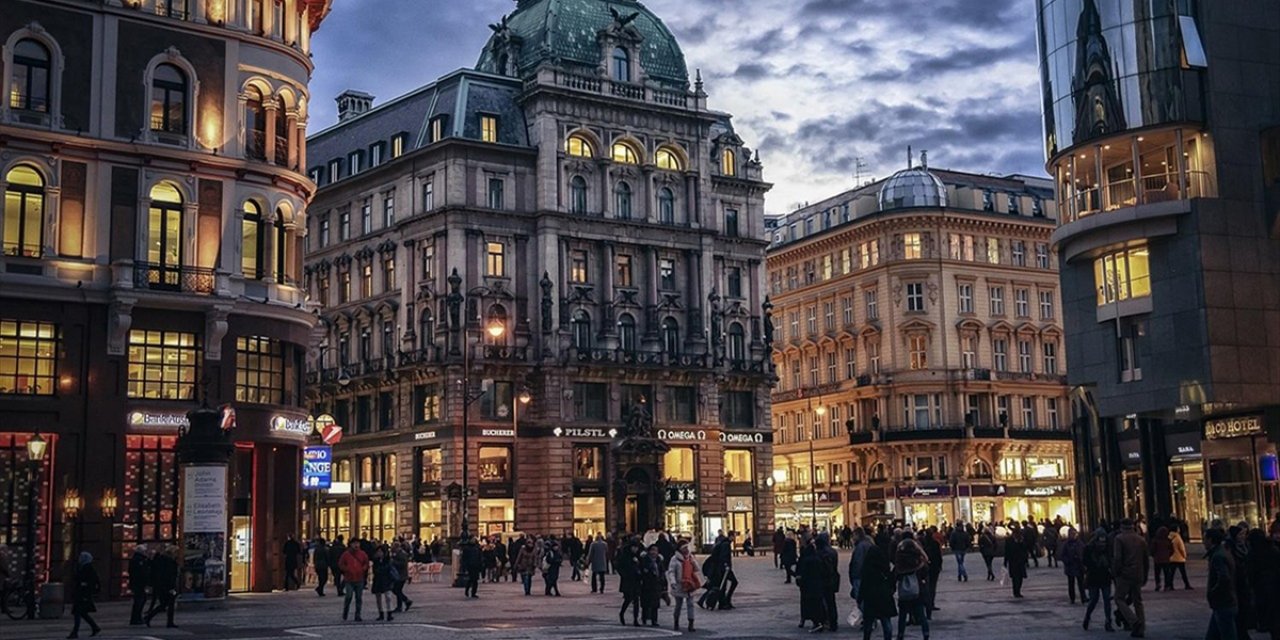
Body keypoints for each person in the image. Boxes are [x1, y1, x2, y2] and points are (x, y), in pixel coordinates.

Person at [1112, 519, 1148, 637]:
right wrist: (1145, 575)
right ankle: (1141, 628)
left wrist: (1116, 572)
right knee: (1138, 601)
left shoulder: (1119, 538)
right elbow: (1145, 559)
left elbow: (1117, 558)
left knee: (1119, 598)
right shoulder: (1140, 539)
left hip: (1125, 573)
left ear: (1122, 526)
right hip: (1138, 573)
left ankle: (1133, 621)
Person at [893, 530, 930, 640]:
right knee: (920, 613)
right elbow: (926, 566)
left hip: (903, 589)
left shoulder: (900, 553)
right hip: (916, 588)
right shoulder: (916, 554)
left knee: (903, 614)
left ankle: (900, 634)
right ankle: (926, 633)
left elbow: (896, 571)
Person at [858, 539, 897, 640]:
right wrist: (891, 589)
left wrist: (860, 597)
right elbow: (891, 580)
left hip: (870, 597)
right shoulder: (884, 567)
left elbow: (863, 584)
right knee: (886, 621)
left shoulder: (867, 568)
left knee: (868, 623)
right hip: (884, 596)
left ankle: (867, 638)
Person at [1245, 529, 1280, 640]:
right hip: (1273, 587)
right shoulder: (1273, 550)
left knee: (1268, 613)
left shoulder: (1254, 553)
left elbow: (1250, 572)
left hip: (1262, 588)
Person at [1204, 528, 1238, 640]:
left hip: (1223, 601)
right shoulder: (1222, 552)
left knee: (1227, 634)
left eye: (1205, 539)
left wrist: (1213, 592)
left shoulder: (1218, 556)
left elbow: (1224, 578)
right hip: (1224, 601)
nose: (1204, 542)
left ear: (1210, 540)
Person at [1082, 528, 1114, 631]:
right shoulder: (1090, 548)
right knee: (1096, 600)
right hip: (1096, 576)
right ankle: (1088, 616)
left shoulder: (1108, 548)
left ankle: (1107, 621)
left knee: (1104, 600)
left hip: (1102, 576)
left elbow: (1112, 560)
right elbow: (1085, 561)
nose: (1102, 542)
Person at [666, 541, 699, 632]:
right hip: (679, 585)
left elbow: (697, 569)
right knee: (678, 605)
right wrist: (673, 582)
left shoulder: (690, 557)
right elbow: (671, 572)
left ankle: (691, 624)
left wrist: (693, 562)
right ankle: (676, 622)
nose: (686, 549)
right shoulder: (675, 559)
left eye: (687, 547)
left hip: (690, 584)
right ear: (680, 549)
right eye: (684, 548)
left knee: (690, 605)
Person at [67, 552, 101, 639]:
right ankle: (94, 627)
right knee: (81, 613)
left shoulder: (88, 568)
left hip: (83, 594)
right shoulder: (83, 567)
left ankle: (75, 632)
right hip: (81, 593)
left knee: (78, 612)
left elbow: (91, 581)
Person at [796, 542, 829, 631]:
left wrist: (799, 581)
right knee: (818, 603)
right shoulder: (818, 559)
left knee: (809, 604)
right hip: (818, 585)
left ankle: (814, 621)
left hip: (808, 586)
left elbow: (802, 573)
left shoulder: (805, 560)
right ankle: (821, 621)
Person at [144, 545, 178, 628]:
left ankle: (149, 617)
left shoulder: (162, 560)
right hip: (167, 586)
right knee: (168, 604)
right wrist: (171, 587)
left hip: (162, 585)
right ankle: (169, 622)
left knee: (164, 604)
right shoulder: (168, 562)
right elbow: (169, 575)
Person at [338, 538, 370, 621]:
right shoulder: (346, 554)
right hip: (349, 579)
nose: (356, 545)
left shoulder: (362, 554)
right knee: (348, 596)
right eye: (354, 543)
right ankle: (345, 611)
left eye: (357, 543)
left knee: (359, 598)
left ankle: (358, 614)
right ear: (350, 544)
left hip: (359, 579)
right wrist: (347, 569)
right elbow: (341, 564)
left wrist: (363, 569)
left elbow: (366, 563)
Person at [817, 532, 841, 631]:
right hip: (832, 578)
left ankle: (825, 620)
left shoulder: (820, 552)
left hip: (823, 579)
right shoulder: (833, 551)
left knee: (823, 601)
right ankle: (834, 621)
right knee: (831, 601)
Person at [617, 538, 641, 625]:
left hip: (636, 580)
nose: (636, 549)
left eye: (636, 548)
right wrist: (624, 575)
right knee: (628, 599)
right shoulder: (625, 555)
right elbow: (619, 566)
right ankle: (622, 613)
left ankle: (636, 619)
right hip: (627, 580)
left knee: (636, 600)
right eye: (634, 547)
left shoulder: (637, 556)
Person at [639, 545, 664, 627]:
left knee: (655, 604)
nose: (654, 552)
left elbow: (662, 572)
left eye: (656, 550)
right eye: (652, 550)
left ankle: (654, 620)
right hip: (647, 584)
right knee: (646, 603)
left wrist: (663, 584)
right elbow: (643, 571)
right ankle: (644, 618)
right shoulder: (645, 560)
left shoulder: (659, 561)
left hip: (657, 584)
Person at [1061, 528, 1086, 605]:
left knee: (1081, 583)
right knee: (1071, 583)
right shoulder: (1066, 544)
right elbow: (1062, 555)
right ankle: (1072, 598)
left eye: (1074, 534)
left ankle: (1083, 597)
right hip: (1070, 566)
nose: (1073, 535)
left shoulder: (1080, 543)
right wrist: (1067, 561)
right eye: (1072, 534)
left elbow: (1084, 552)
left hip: (1079, 566)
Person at [127, 544, 151, 625]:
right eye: (144, 551)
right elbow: (141, 572)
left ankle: (136, 618)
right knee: (139, 600)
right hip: (138, 583)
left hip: (137, 583)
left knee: (140, 600)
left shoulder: (137, 559)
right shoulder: (139, 560)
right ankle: (136, 618)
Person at [1003, 527, 1029, 598]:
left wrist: (1026, 560)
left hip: (1021, 561)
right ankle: (1016, 591)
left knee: (1020, 577)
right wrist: (1005, 561)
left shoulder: (1022, 540)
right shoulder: (1009, 540)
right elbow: (1007, 551)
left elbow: (1025, 550)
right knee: (1015, 578)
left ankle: (1018, 590)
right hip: (1013, 561)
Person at [390, 541, 412, 612]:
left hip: (401, 575)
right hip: (399, 575)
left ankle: (405, 601)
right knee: (397, 590)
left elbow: (403, 564)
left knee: (396, 590)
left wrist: (393, 562)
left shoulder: (401, 554)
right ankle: (402, 604)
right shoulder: (397, 553)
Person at [1150, 526, 1172, 592]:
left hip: (1157, 559)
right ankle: (1167, 585)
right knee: (1166, 573)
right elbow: (1172, 549)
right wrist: (1168, 555)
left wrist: (1154, 555)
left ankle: (1158, 584)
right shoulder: (1168, 540)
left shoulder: (1155, 540)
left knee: (1157, 573)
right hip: (1166, 559)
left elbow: (1152, 550)